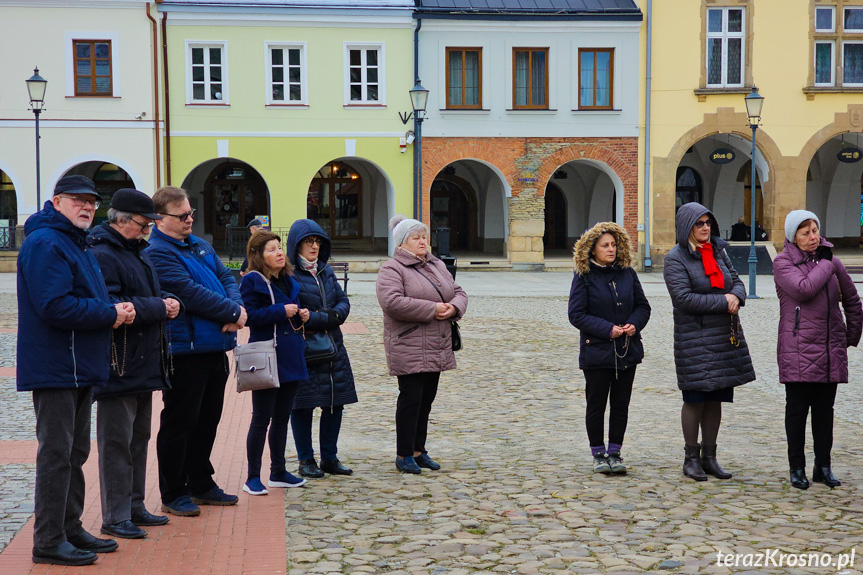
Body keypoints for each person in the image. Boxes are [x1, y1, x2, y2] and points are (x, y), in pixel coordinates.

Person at [18, 175, 134, 566]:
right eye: (77, 201)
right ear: (57, 202)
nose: (87, 207)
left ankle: (69, 527)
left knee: (75, 451)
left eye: (92, 202)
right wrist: (110, 313)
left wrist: (112, 311)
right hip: (56, 366)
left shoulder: (75, 241)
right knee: (56, 453)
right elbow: (55, 306)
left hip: (79, 365)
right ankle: (48, 539)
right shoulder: (46, 242)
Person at [146, 186, 247, 516]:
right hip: (184, 349)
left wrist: (237, 306)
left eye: (191, 213)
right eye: (183, 215)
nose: (190, 219)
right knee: (180, 422)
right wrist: (232, 313)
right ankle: (174, 491)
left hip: (215, 346)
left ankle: (201, 482)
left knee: (208, 421)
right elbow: (190, 292)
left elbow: (227, 277)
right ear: (161, 218)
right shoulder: (158, 252)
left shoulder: (200, 245)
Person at [88, 189, 180, 539]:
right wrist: (160, 307)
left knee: (139, 437)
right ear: (122, 220)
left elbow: (144, 298)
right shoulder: (104, 253)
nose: (148, 231)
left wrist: (168, 304)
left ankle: (135, 505)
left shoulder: (137, 251)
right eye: (144, 224)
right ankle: (115, 514)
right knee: (116, 443)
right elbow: (112, 304)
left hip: (142, 361)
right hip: (118, 363)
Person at [663, 202, 755, 481]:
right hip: (695, 338)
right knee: (695, 397)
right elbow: (683, 298)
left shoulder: (717, 251)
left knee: (715, 397)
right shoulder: (675, 258)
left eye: (707, 223)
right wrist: (723, 300)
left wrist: (737, 296)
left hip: (723, 337)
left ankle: (710, 457)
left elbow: (737, 282)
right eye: (699, 223)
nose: (705, 228)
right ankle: (690, 458)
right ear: (686, 227)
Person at [773, 211, 862, 489]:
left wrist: (849, 335)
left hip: (828, 348)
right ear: (793, 237)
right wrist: (826, 263)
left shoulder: (832, 262)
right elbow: (804, 288)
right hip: (797, 348)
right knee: (797, 412)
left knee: (825, 412)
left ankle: (823, 466)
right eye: (805, 233)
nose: (813, 237)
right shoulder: (782, 263)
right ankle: (796, 467)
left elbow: (853, 300)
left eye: (815, 231)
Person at [376, 215, 468, 474]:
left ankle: (419, 450)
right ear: (402, 243)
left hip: (436, 342)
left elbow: (458, 291)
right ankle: (404, 453)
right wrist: (432, 309)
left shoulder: (436, 264)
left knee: (427, 399)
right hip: (410, 343)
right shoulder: (392, 269)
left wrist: (453, 307)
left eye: (424, 237)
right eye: (415, 238)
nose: (422, 242)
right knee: (411, 399)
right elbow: (391, 302)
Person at [568, 222, 651, 475]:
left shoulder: (627, 273)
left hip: (627, 350)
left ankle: (615, 452)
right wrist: (607, 329)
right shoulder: (584, 276)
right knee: (596, 405)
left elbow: (643, 306)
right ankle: (598, 453)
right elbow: (576, 314)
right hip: (597, 351)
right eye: (605, 245)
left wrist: (634, 325)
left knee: (620, 404)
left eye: (614, 244)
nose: (611, 249)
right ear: (593, 249)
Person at [239, 231, 310, 495]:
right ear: (258, 255)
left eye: (279, 248)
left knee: (282, 419)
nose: (279, 253)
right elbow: (249, 316)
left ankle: (278, 471)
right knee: (261, 418)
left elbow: (293, 311)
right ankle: (252, 477)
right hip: (266, 356)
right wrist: (281, 311)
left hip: (290, 355)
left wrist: (301, 314)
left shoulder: (288, 280)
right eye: (271, 249)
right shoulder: (252, 281)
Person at [286, 220, 358, 478]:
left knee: (334, 404)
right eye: (308, 242)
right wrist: (320, 318)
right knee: (302, 406)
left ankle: (329, 457)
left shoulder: (325, 271)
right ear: (296, 245)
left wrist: (321, 318)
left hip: (333, 347)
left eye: (317, 241)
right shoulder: (289, 274)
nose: (314, 246)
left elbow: (343, 301)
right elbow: (294, 315)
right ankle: (306, 460)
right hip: (305, 350)